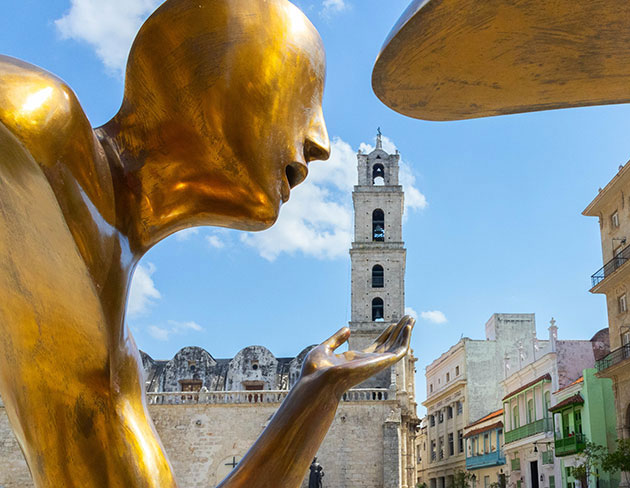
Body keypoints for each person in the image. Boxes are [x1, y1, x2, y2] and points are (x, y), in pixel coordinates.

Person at [0, 1, 414, 487]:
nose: (321, 142)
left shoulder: (120, 348)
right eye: (303, 94)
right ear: (224, 77)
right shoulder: (39, 126)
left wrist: (316, 391)